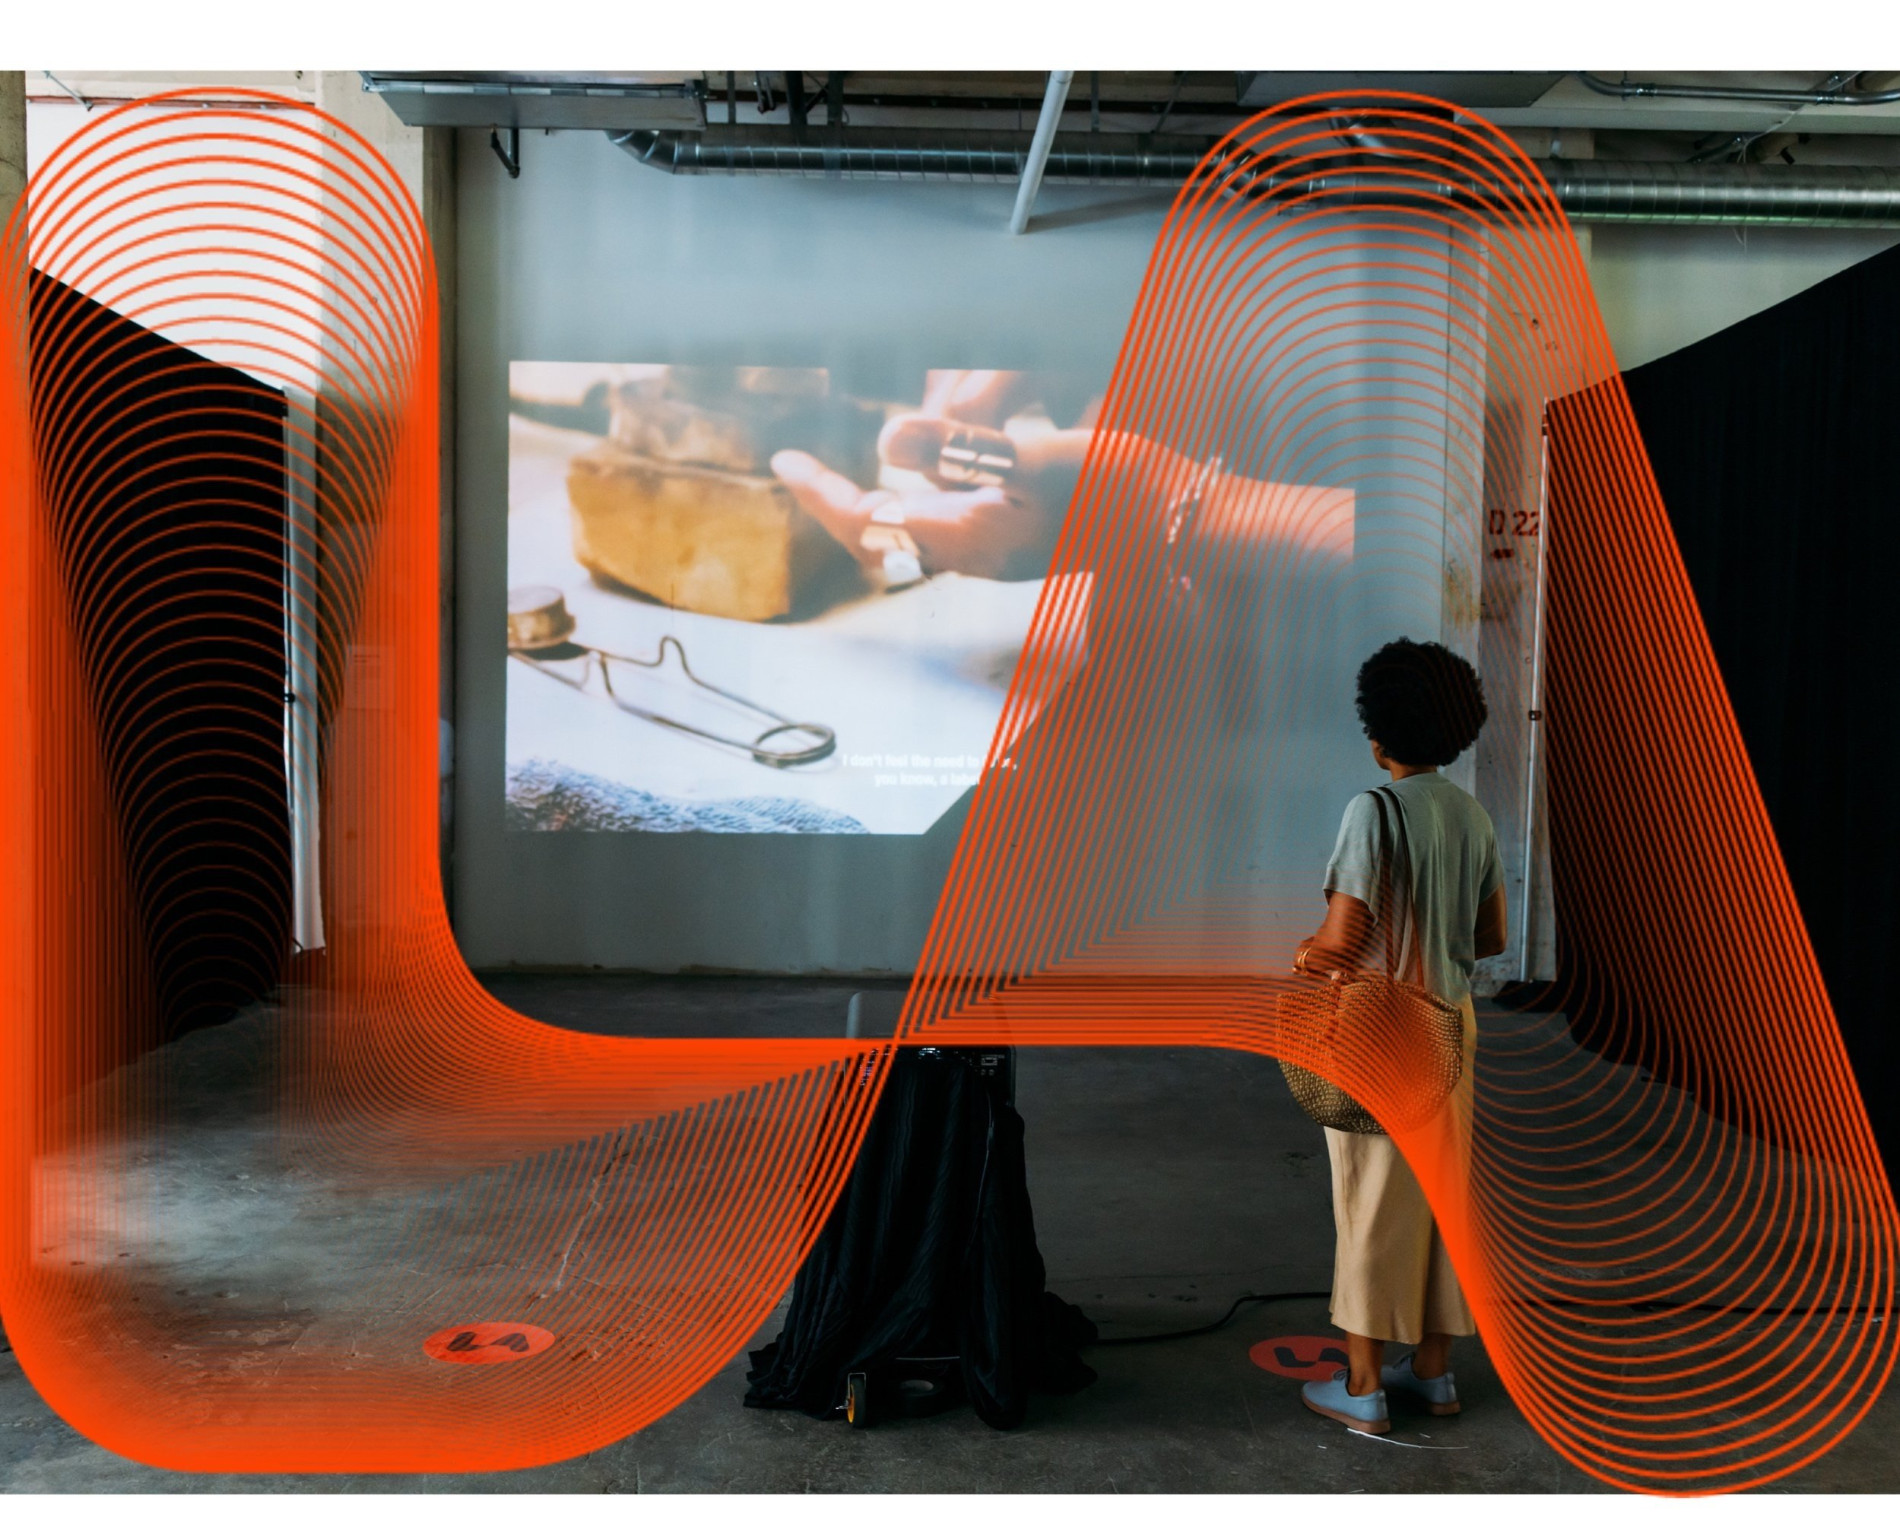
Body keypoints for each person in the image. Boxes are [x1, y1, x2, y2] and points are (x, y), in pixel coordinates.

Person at [1294, 638, 1507, 1436]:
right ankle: (1433, 1374)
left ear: (1376, 734)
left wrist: (1307, 952)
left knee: (1372, 1203)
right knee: (1443, 1200)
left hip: (1382, 1037)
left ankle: (1362, 1387)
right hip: (1452, 1031)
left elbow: (1343, 943)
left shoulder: (1371, 811)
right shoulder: (1471, 814)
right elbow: (1490, 938)